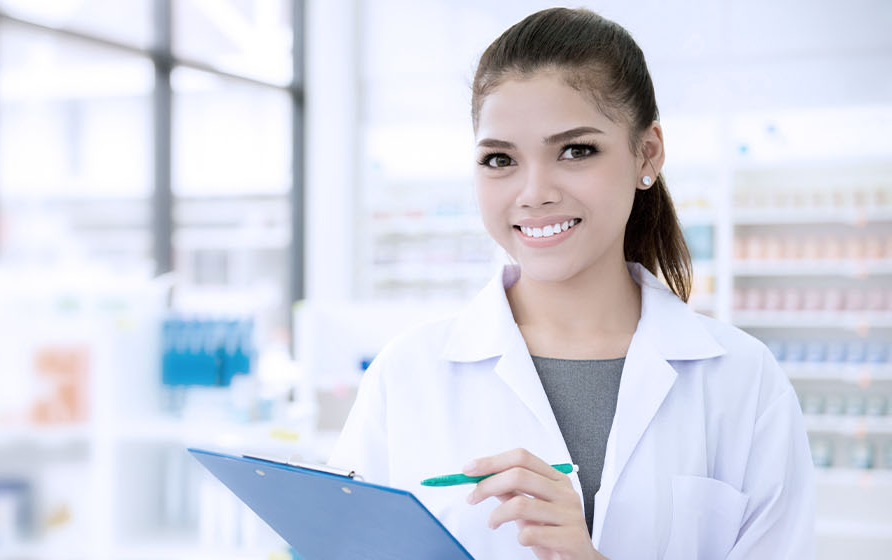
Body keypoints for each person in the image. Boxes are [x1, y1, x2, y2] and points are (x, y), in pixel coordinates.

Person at [327, 7, 814, 559]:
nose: (534, 192)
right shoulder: (407, 375)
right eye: (500, 158)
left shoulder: (743, 383)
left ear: (646, 153)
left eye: (575, 150)